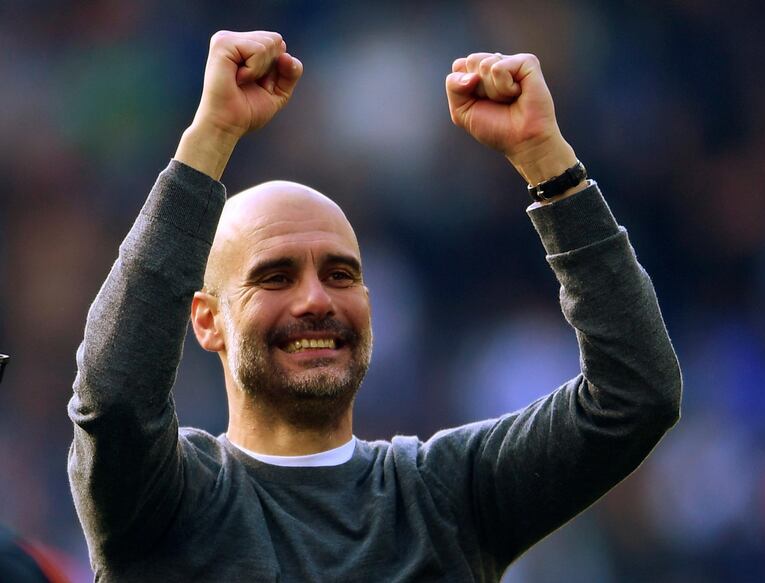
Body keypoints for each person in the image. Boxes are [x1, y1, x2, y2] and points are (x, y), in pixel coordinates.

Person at [68, 30, 681, 581]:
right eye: (275, 277)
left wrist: (546, 160)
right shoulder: (164, 499)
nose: (315, 300)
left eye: (340, 275)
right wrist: (210, 137)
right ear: (206, 319)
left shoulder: (446, 495)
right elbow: (116, 398)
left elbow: (633, 395)